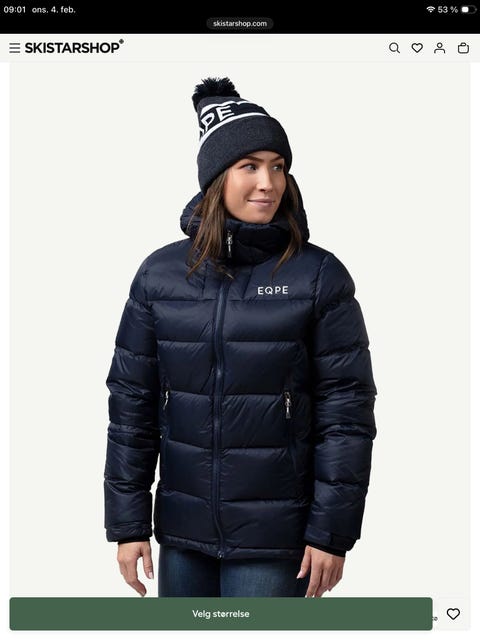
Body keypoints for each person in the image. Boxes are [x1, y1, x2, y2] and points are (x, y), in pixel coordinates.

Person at [103, 77, 377, 598]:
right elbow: (131, 405)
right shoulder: (160, 276)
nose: (268, 183)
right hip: (182, 537)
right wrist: (128, 524)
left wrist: (332, 533)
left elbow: (347, 415)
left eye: (278, 166)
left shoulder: (318, 277)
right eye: (249, 166)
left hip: (277, 543)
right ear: (216, 178)